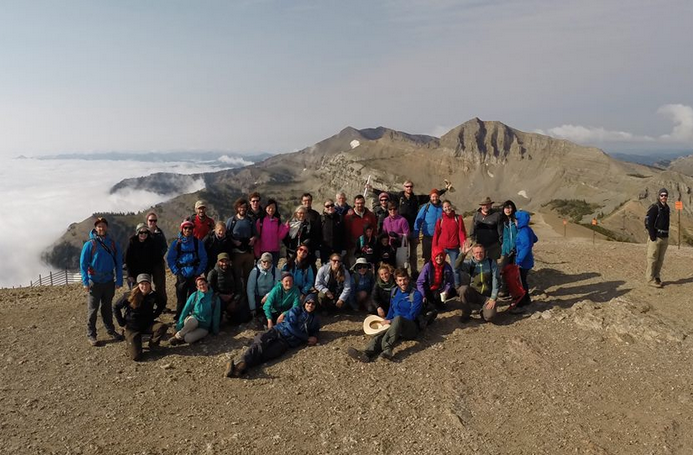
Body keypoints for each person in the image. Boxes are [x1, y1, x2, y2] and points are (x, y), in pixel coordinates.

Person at [225, 293, 320, 378]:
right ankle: (240, 363)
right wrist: (306, 337)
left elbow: (315, 331)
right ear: (304, 303)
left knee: (268, 354)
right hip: (278, 330)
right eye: (308, 302)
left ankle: (240, 366)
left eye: (313, 303)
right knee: (260, 343)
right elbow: (290, 326)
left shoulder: (315, 319)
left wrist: (315, 337)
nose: (310, 305)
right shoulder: (296, 310)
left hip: (286, 342)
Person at [369, 180, 450, 274]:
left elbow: (431, 196)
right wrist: (372, 189)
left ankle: (414, 272)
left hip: (412, 230)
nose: (409, 188)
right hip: (400, 230)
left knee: (413, 254)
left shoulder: (416, 198)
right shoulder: (399, 197)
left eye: (411, 186)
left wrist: (445, 189)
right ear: (404, 187)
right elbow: (385, 194)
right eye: (407, 186)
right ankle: (401, 273)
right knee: (401, 255)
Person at [347, 268, 423, 362]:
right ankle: (366, 353)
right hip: (395, 324)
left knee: (397, 319)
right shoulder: (395, 291)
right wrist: (386, 321)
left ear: (408, 279)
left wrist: (391, 321)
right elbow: (391, 309)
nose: (403, 283)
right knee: (381, 334)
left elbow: (412, 316)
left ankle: (387, 350)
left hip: (410, 327)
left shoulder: (416, 295)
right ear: (396, 281)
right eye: (400, 280)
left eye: (404, 279)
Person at [80, 217, 125, 346]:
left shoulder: (112, 244)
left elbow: (119, 263)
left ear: (107, 227)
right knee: (93, 310)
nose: (101, 228)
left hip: (109, 280)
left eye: (103, 226)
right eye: (99, 226)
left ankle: (110, 330)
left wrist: (119, 280)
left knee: (106, 308)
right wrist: (85, 282)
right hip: (94, 281)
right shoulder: (90, 244)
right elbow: (83, 264)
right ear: (95, 228)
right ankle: (91, 334)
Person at [113, 274, 168, 361]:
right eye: (142, 284)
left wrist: (155, 315)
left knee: (162, 327)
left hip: (147, 325)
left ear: (150, 284)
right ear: (138, 284)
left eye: (146, 284)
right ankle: (129, 337)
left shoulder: (153, 295)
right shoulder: (129, 295)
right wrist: (122, 322)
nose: (144, 286)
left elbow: (162, 303)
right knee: (136, 357)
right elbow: (116, 306)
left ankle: (153, 344)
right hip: (132, 327)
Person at [166, 220, 208, 323]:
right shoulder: (176, 243)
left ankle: (192, 318)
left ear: (193, 230)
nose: (188, 230)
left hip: (194, 273)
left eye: (190, 228)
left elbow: (204, 258)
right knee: (181, 298)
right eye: (185, 228)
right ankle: (179, 318)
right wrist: (176, 271)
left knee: (193, 297)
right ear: (182, 229)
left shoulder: (197, 243)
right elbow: (170, 258)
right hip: (182, 273)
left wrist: (198, 271)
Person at [170, 275, 221, 345]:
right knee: (193, 322)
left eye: (203, 284)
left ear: (207, 284)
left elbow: (216, 315)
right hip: (193, 319)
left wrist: (215, 331)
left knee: (188, 338)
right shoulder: (194, 295)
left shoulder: (215, 299)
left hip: (204, 326)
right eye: (199, 285)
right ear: (197, 288)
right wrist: (179, 325)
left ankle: (184, 337)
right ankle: (177, 337)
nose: (202, 286)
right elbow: (185, 311)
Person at [455, 243, 499, 323]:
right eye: (476, 253)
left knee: (489, 317)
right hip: (474, 293)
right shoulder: (470, 263)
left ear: (484, 252)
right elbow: (456, 266)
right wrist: (463, 254)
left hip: (487, 296)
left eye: (481, 252)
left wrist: (493, 298)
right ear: (473, 253)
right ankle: (466, 313)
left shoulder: (491, 263)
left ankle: (482, 310)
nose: (479, 254)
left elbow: (496, 282)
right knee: (462, 289)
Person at [432, 200, 467, 287]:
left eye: (448, 206)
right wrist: (434, 248)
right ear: (443, 209)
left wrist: (463, 245)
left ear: (451, 206)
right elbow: (436, 234)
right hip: (442, 247)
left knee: (455, 268)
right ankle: (440, 285)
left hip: (454, 247)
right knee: (439, 267)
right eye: (445, 207)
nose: (447, 208)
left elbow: (461, 232)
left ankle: (456, 286)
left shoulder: (458, 218)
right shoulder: (440, 219)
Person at [417, 247, 456, 322]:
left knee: (453, 291)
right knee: (430, 305)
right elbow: (420, 282)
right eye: (437, 256)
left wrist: (446, 290)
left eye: (441, 255)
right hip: (429, 290)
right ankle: (432, 304)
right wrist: (423, 295)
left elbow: (450, 281)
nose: (439, 258)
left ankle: (438, 303)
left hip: (440, 290)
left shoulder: (447, 266)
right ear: (433, 256)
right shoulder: (428, 266)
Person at [226, 198, 258, 287]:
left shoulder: (250, 220)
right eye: (240, 207)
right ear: (237, 208)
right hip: (236, 253)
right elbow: (227, 235)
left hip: (248, 253)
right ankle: (238, 296)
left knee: (249, 277)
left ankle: (247, 297)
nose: (242, 209)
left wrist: (253, 239)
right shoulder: (231, 220)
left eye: (244, 207)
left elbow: (256, 234)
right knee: (236, 276)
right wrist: (234, 241)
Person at [645, 188, 671, 288]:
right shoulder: (655, 207)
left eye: (665, 195)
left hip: (664, 237)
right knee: (652, 259)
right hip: (656, 238)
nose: (664, 197)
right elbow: (649, 222)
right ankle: (650, 279)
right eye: (662, 195)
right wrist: (652, 236)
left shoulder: (667, 208)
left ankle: (657, 276)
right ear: (659, 196)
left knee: (660, 259)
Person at [207, 253, 242, 323]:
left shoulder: (233, 271)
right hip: (218, 299)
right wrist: (220, 295)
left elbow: (239, 287)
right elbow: (209, 289)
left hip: (232, 297)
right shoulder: (213, 273)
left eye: (226, 261)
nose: (224, 263)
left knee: (240, 318)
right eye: (222, 261)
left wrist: (234, 299)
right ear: (218, 262)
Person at [514, 211, 539, 309]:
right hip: (527, 260)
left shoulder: (523, 231)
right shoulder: (527, 229)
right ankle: (526, 299)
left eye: (516, 220)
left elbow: (526, 246)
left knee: (521, 282)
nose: (514, 222)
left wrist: (519, 260)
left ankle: (522, 301)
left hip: (523, 261)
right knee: (523, 280)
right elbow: (535, 239)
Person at [343, 195, 377, 268]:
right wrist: (348, 245)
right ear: (354, 203)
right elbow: (346, 232)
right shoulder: (349, 216)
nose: (360, 205)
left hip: (368, 245)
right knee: (354, 267)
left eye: (361, 203)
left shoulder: (370, 215)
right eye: (358, 203)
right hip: (353, 246)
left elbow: (374, 229)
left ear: (364, 203)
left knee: (368, 267)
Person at [254, 198, 288, 266]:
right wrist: (257, 251)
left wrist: (286, 228)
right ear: (265, 208)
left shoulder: (277, 221)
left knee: (273, 271)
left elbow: (280, 236)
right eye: (269, 207)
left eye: (273, 208)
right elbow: (257, 237)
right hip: (263, 251)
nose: (271, 209)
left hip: (275, 251)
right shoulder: (260, 221)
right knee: (262, 271)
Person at [414, 189, 444, 265]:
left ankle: (438, 275)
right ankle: (427, 275)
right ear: (430, 197)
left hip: (439, 238)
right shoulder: (426, 207)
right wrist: (416, 235)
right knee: (427, 258)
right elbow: (418, 221)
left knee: (439, 257)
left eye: (436, 196)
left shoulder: (442, 208)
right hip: (427, 238)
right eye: (433, 197)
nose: (435, 198)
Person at [124, 223, 159, 289]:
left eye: (145, 232)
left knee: (145, 291)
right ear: (137, 232)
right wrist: (130, 275)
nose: (143, 234)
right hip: (134, 274)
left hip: (146, 273)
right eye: (141, 232)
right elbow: (127, 260)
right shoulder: (132, 243)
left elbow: (153, 258)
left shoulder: (151, 243)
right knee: (134, 294)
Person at [246, 252, 280, 320]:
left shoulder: (275, 271)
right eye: (264, 261)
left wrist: (268, 296)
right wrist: (252, 308)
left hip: (270, 297)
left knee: (273, 315)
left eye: (268, 262)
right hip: (257, 297)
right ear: (261, 261)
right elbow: (250, 290)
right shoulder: (255, 271)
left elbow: (277, 287)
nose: (266, 264)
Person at [146, 211, 168, 309]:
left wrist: (159, 255)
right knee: (146, 285)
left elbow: (165, 246)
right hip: (146, 264)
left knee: (160, 286)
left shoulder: (160, 233)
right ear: (147, 221)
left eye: (155, 220)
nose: (153, 223)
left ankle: (161, 305)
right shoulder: (143, 232)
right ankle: (147, 306)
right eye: (151, 220)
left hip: (158, 263)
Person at [300, 193, 322, 266]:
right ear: (302, 201)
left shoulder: (316, 214)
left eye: (309, 200)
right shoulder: (298, 213)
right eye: (305, 200)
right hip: (299, 246)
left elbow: (319, 230)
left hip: (312, 246)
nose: (307, 202)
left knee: (311, 266)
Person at [320, 199, 344, 264]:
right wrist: (317, 249)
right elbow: (317, 235)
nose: (330, 207)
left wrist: (344, 248)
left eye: (332, 205)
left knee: (338, 269)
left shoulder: (340, 218)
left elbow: (344, 234)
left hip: (338, 250)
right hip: (325, 251)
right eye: (327, 206)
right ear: (324, 208)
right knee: (326, 270)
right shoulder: (321, 219)